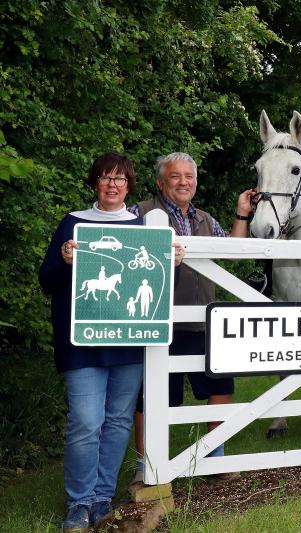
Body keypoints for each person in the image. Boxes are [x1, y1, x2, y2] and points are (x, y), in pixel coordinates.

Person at [38, 152, 185, 532]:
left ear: (129, 185)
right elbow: (47, 281)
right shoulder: (73, 224)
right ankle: (79, 502)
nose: (112, 185)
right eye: (105, 178)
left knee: (119, 420)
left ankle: (102, 497)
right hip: (82, 342)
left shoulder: (141, 228)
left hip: (128, 342)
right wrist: (63, 258)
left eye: (119, 179)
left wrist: (174, 265)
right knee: (87, 422)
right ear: (95, 183)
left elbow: (160, 291)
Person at [129, 152, 256, 484]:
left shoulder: (205, 219)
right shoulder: (139, 213)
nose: (183, 182)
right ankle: (147, 465)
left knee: (221, 384)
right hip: (160, 323)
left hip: (202, 320)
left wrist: (242, 213)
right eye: (175, 176)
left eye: (189, 176)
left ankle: (215, 455)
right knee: (152, 396)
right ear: (160, 182)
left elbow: (232, 251)